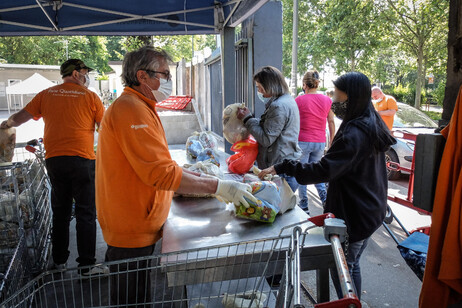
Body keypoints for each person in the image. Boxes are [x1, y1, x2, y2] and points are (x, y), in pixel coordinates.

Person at [96, 46, 257, 307]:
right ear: (142, 76)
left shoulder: (141, 106)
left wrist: (188, 173)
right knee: (130, 300)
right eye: (164, 75)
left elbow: (154, 162)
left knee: (137, 297)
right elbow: (160, 173)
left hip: (137, 220)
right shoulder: (130, 109)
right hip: (129, 224)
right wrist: (220, 186)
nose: (168, 82)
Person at [258, 72, 396, 299]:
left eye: (338, 97)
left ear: (352, 98)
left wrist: (286, 166)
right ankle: (354, 302)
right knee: (352, 264)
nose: (334, 102)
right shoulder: (369, 122)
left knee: (343, 269)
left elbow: (324, 170)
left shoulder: (356, 133)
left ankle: (350, 304)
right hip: (371, 208)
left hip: (357, 214)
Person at [0, 59, 106, 276]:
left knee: (61, 212)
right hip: (83, 161)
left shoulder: (46, 94)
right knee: (86, 213)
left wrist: (6, 124)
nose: (87, 78)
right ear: (75, 74)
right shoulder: (90, 97)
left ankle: (59, 262)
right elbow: (104, 127)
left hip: (55, 161)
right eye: (85, 73)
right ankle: (86, 267)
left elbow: (19, 118)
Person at [236, 66, 302, 192]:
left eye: (260, 87)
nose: (259, 92)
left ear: (270, 86)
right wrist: (250, 119)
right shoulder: (286, 100)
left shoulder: (279, 106)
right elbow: (269, 127)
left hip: (280, 172)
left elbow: (266, 139)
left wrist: (247, 119)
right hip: (282, 167)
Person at [295, 70, 335, 213]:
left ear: (304, 84)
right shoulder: (327, 100)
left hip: (303, 141)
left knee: (302, 173)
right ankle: (325, 200)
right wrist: (332, 142)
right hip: (319, 142)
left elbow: (293, 122)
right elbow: (331, 121)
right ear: (317, 84)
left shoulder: (299, 100)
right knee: (317, 172)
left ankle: (304, 205)